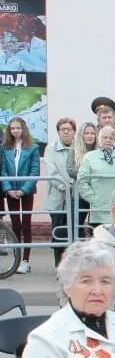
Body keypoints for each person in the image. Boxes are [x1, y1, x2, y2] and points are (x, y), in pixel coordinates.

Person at [2, 116, 40, 274]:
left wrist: (24, 189)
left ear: (23, 129)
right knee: (15, 225)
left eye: (18, 128)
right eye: (12, 128)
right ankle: (16, 260)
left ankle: (26, 260)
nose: (15, 131)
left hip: (26, 192)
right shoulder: (5, 148)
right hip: (11, 191)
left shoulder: (33, 148)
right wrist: (8, 189)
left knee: (26, 225)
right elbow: (3, 169)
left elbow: (34, 171)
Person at [76, 126, 115, 225]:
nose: (108, 140)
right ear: (99, 139)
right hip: (99, 210)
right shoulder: (90, 157)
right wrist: (94, 198)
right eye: (105, 137)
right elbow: (82, 181)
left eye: (111, 138)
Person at [45, 117, 76, 265]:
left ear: (74, 132)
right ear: (58, 132)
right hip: (58, 197)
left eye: (68, 129)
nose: (65, 132)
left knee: (75, 231)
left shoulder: (78, 147)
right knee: (58, 232)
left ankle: (72, 265)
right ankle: (59, 265)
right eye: (62, 130)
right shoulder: (51, 149)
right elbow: (51, 171)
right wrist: (62, 185)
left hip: (76, 196)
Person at [68, 122, 98, 227]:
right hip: (79, 194)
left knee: (96, 227)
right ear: (82, 135)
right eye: (86, 133)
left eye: (92, 133)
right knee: (76, 225)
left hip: (97, 193)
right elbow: (70, 170)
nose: (89, 136)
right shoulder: (74, 149)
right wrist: (87, 173)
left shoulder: (99, 151)